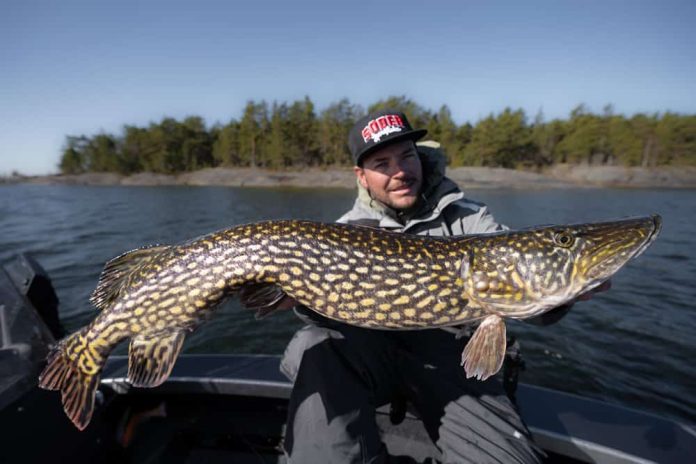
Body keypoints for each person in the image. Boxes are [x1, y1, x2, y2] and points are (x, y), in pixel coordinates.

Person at [279, 109, 609, 463]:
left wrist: (557, 297)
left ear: (420, 156)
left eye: (407, 156)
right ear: (362, 176)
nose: (400, 171)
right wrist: (293, 297)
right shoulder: (344, 232)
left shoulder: (471, 218)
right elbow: (330, 317)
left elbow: (518, 287)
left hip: (452, 357)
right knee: (314, 344)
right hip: (374, 352)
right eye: (383, 163)